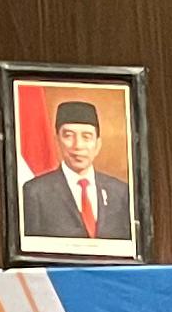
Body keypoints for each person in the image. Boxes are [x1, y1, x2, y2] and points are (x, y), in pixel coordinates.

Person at [19, 96, 131, 242]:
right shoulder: (35, 192)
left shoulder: (121, 192)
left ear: (98, 144)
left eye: (86, 137)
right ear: (57, 141)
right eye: (68, 136)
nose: (78, 145)